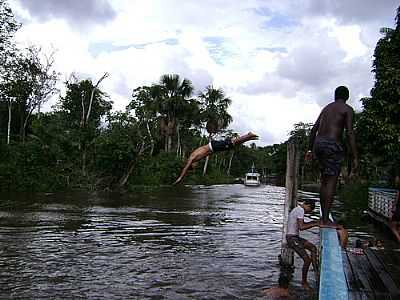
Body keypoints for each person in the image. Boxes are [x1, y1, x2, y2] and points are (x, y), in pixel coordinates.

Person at [305, 86, 359, 227]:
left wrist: (309, 150)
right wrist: (355, 157)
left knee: (324, 181)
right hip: (332, 145)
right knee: (331, 182)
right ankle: (324, 220)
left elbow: (314, 129)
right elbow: (350, 133)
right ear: (347, 97)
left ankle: (324, 216)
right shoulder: (347, 109)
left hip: (319, 144)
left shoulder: (326, 108)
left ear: (335, 96)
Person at [173, 132, 259, 185]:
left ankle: (248, 135)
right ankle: (248, 138)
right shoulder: (196, 158)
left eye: (194, 166)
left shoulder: (191, 158)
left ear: (192, 165)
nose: (196, 165)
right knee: (232, 146)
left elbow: (185, 168)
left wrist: (180, 177)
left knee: (232, 142)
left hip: (213, 146)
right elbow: (207, 153)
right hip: (214, 148)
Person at [286, 199, 319, 291]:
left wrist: (314, 223)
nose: (308, 212)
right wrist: (315, 224)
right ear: (307, 205)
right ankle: (304, 282)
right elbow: (302, 227)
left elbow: (303, 224)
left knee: (313, 248)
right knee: (307, 260)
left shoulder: (298, 209)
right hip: (292, 239)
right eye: (309, 210)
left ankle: (316, 269)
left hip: (295, 237)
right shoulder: (300, 210)